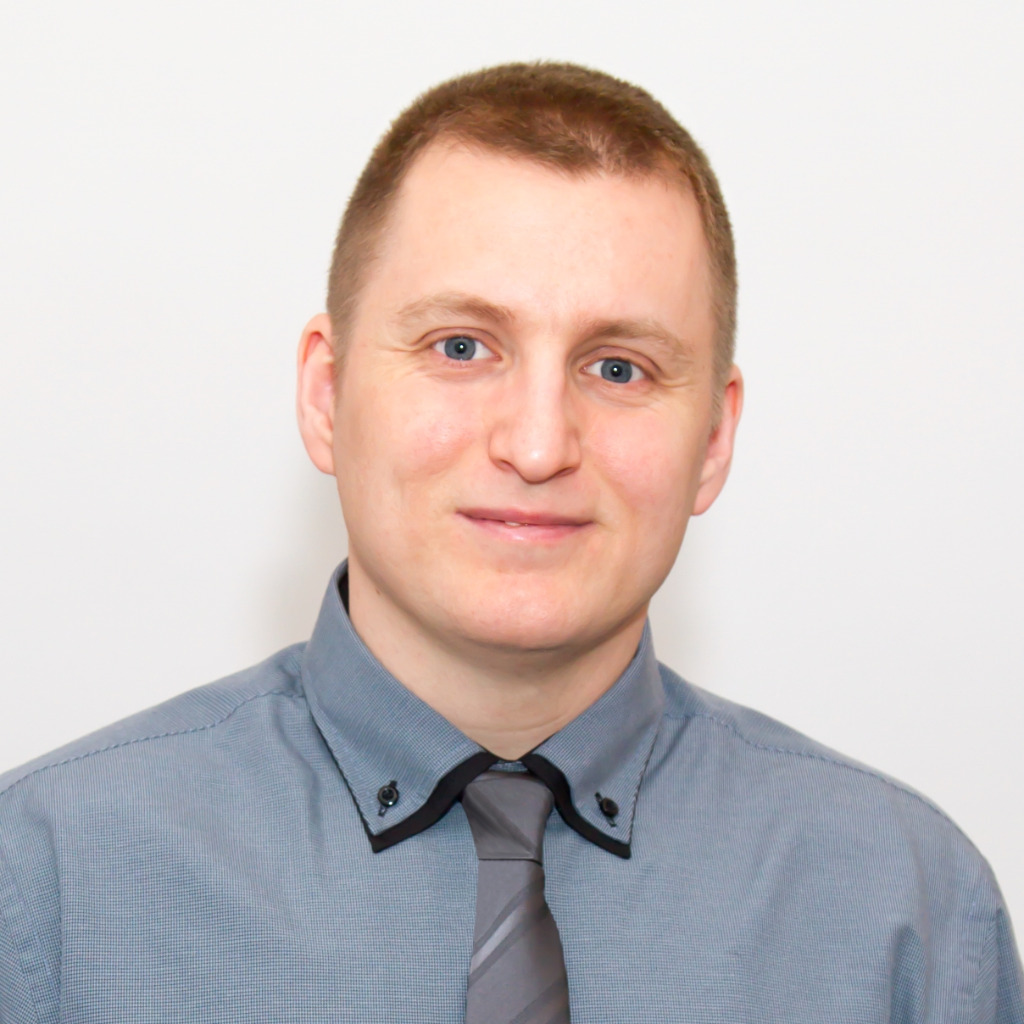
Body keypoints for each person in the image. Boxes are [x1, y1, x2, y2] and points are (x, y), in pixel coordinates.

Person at [0, 61, 1020, 1024]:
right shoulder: (44, 886)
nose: (537, 445)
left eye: (617, 368)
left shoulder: (911, 913)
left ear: (713, 439)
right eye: (461, 347)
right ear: (326, 394)